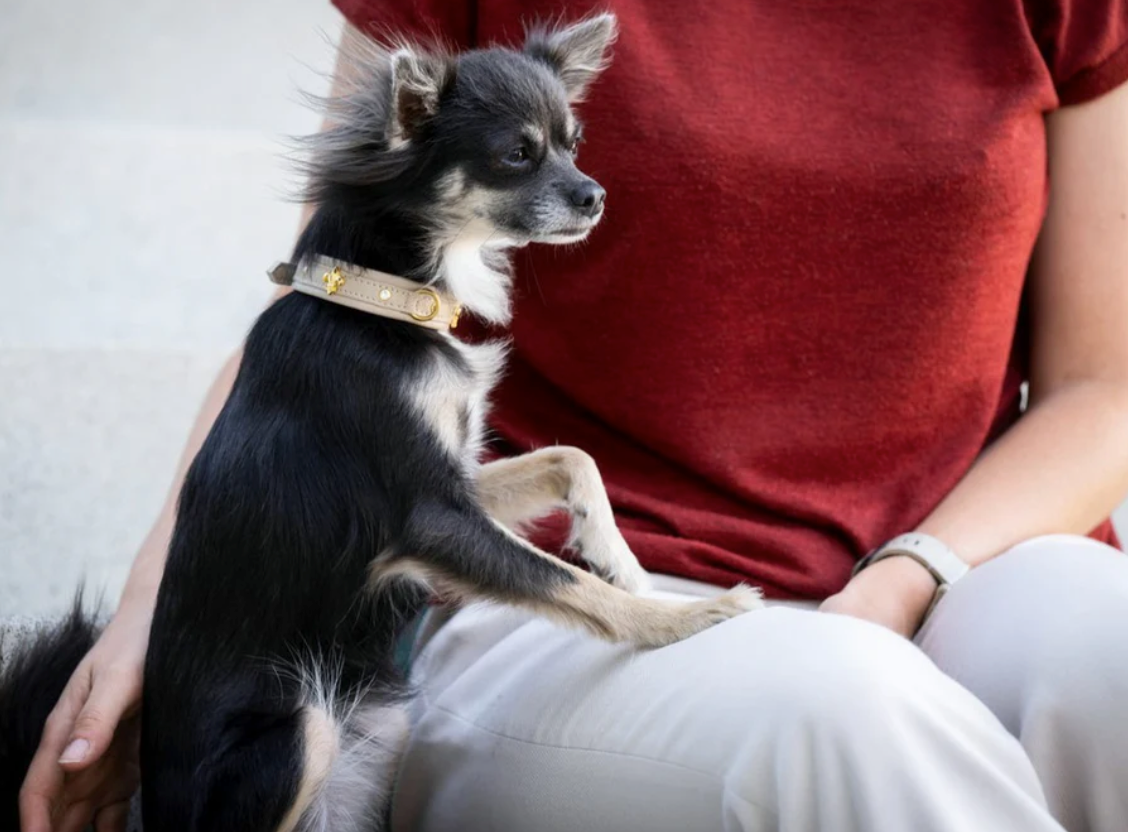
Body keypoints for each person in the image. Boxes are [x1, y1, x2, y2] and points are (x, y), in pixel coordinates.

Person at [19, 1, 1128, 830]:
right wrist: (158, 619)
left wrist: (901, 579)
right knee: (848, 712)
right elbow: (321, 318)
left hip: (946, 560)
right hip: (551, 594)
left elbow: (1103, 386)